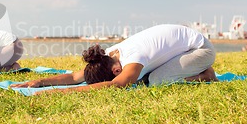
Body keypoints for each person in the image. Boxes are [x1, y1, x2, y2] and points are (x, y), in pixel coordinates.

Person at [12, 24, 218, 94]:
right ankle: (196, 70)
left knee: (153, 82)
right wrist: (40, 82)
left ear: (115, 71)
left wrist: (59, 94)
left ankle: (205, 75)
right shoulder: (110, 54)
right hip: (183, 48)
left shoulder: (134, 57)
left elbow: (116, 85)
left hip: (200, 50)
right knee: (143, 78)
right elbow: (76, 76)